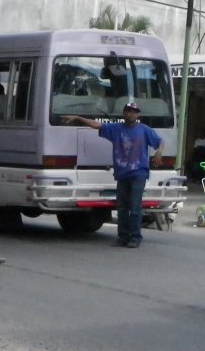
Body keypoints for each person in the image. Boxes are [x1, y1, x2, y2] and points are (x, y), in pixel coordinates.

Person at [65, 102, 163, 248]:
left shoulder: (144, 130)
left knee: (135, 207)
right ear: (124, 113)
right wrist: (79, 118)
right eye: (128, 111)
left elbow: (160, 141)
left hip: (138, 173)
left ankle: (135, 237)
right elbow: (97, 125)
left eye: (134, 112)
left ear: (138, 115)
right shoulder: (116, 129)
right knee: (122, 207)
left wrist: (158, 153)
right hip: (122, 173)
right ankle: (123, 236)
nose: (131, 114)